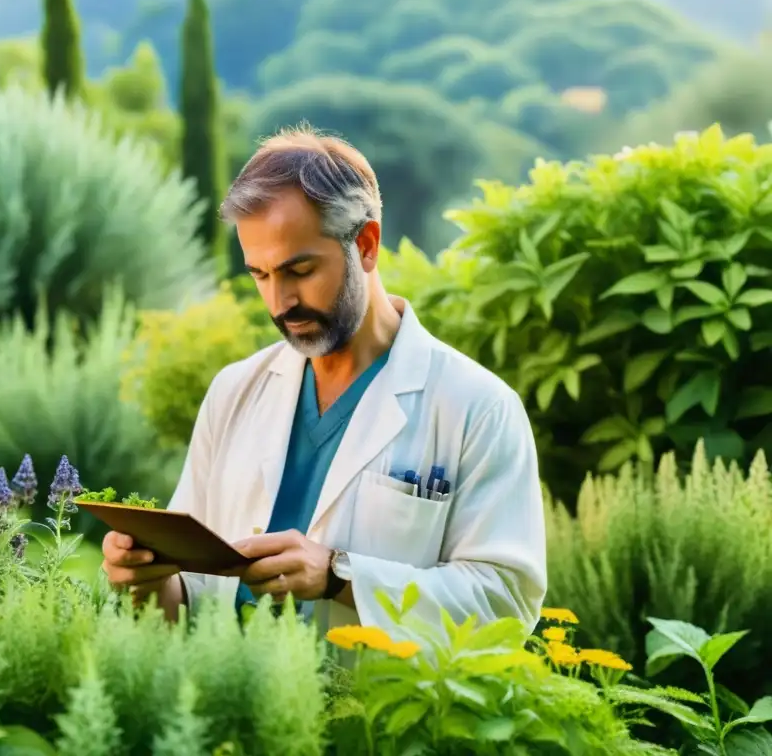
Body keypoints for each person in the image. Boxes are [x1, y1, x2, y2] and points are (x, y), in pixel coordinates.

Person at [102, 125, 547, 638]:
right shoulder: (233, 392)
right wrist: (147, 580)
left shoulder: (477, 407)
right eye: (260, 275)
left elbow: (508, 603)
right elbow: (194, 598)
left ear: (367, 245)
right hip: (229, 704)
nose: (279, 303)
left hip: (379, 713)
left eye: (300, 269)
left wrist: (338, 576)